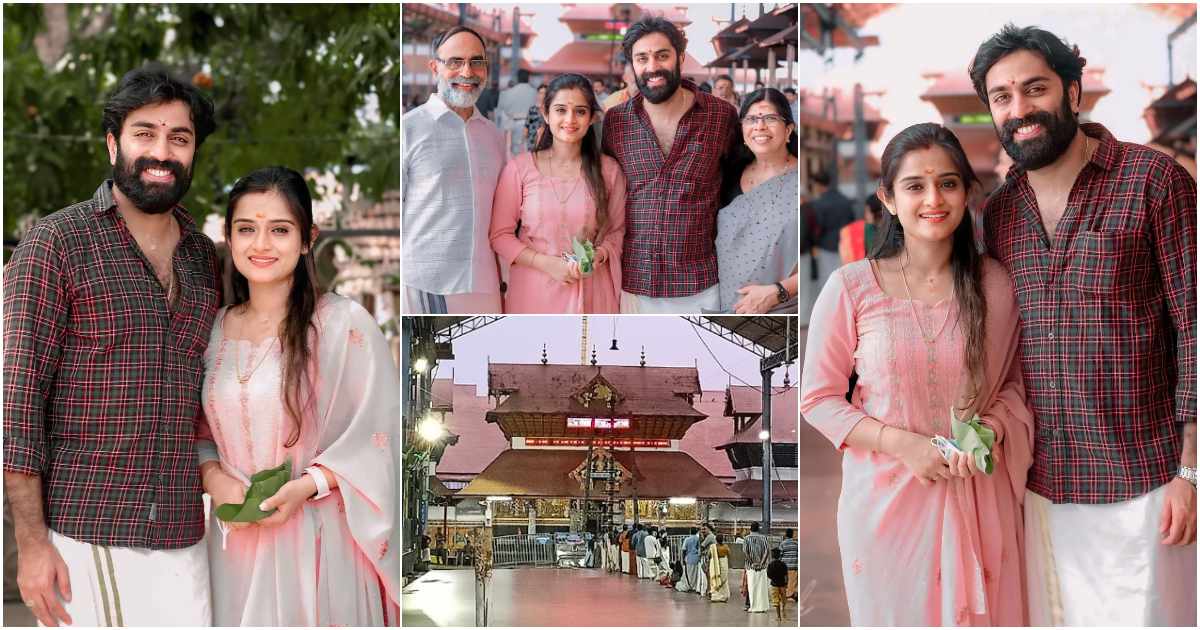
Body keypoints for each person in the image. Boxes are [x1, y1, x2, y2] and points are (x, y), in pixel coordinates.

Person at [970, 25, 1197, 626]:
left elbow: (1195, 329)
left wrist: (1191, 471)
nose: (1020, 110)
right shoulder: (999, 215)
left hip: (1147, 482)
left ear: (1073, 92)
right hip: (1041, 486)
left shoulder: (1154, 182)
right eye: (1002, 97)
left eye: (1034, 88)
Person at [3, 65, 219, 627]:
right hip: (87, 531)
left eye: (179, 138)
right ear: (112, 144)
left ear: (193, 152)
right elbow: (16, 404)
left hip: (184, 533)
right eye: (144, 133)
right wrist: (30, 544)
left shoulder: (205, 260)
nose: (162, 151)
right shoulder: (57, 243)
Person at [800, 122, 1033, 625]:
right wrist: (903, 445)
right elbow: (817, 398)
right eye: (915, 186)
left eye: (948, 183)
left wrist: (990, 430)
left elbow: (1014, 386)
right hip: (887, 507)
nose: (934, 198)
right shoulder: (852, 288)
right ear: (887, 198)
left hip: (977, 493)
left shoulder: (995, 284)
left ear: (968, 193)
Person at [196, 166, 399, 625]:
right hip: (233, 545)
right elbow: (199, 429)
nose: (261, 244)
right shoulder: (211, 330)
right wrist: (214, 478)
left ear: (309, 238)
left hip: (316, 538)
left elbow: (375, 435)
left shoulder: (342, 326)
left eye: (280, 230)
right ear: (228, 236)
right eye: (246, 229)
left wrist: (306, 486)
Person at [602, 16, 739, 313]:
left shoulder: (721, 116)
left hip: (700, 284)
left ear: (679, 56)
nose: (652, 67)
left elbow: (739, 187)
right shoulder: (616, 122)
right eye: (642, 58)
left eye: (662, 55)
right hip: (634, 282)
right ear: (632, 65)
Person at [490, 74, 627, 313]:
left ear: (592, 117)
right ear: (546, 113)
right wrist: (547, 264)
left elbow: (618, 231)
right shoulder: (520, 169)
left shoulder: (609, 171)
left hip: (592, 290)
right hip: (534, 292)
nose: (570, 120)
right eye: (561, 110)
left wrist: (600, 255)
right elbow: (500, 235)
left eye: (580, 111)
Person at [403, 26, 504, 314]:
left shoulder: (494, 137)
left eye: (476, 62)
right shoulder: (409, 130)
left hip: (484, 284)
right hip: (426, 282)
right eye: (455, 62)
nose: (467, 72)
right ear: (434, 67)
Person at [715, 87, 799, 313]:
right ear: (742, 129)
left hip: (784, 307)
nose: (760, 126)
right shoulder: (728, 174)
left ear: (789, 129)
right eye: (751, 119)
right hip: (725, 304)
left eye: (770, 118)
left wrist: (778, 291)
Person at [808, 169, 854, 293]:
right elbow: (851, 222)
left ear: (818, 185)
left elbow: (817, 228)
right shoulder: (845, 200)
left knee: (828, 283)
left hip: (826, 247)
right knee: (844, 282)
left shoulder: (818, 204)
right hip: (844, 247)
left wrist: (814, 243)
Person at [497, 69, 538, 156]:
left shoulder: (509, 92)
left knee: (516, 150)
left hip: (516, 122)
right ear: (528, 78)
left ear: (517, 78)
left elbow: (503, 107)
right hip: (532, 123)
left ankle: (518, 168)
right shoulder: (535, 92)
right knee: (529, 150)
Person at [838, 192, 883, 264]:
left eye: (867, 211)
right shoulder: (868, 228)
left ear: (877, 212)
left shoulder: (870, 229)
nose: (865, 215)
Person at [742, 522, 771, 613]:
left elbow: (745, 552)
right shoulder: (764, 538)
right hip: (762, 568)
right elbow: (767, 551)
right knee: (761, 587)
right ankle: (761, 606)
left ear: (750, 529)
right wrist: (761, 563)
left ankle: (752, 605)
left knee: (751, 586)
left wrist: (753, 563)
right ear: (759, 529)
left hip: (750, 567)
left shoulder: (746, 538)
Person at [676, 526, 700, 593]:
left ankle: (689, 585)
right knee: (695, 574)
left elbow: (684, 550)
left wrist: (683, 559)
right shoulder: (698, 539)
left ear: (690, 531)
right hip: (697, 558)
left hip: (689, 558)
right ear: (696, 532)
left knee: (688, 574)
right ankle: (694, 586)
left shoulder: (687, 539)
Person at [524, 84, 547, 152]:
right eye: (540, 93)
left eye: (544, 93)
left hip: (545, 141)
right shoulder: (532, 109)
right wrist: (524, 139)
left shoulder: (550, 110)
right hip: (532, 141)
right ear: (537, 94)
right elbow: (527, 125)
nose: (542, 95)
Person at [708, 533, 731, 602]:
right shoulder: (726, 547)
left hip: (715, 564)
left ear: (716, 540)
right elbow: (729, 554)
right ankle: (724, 596)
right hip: (723, 562)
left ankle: (715, 596)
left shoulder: (713, 547)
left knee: (715, 579)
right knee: (723, 579)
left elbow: (709, 555)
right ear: (723, 539)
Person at [766, 548, 788, 621]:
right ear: (780, 555)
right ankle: (784, 611)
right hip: (782, 584)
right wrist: (786, 583)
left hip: (774, 584)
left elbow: (768, 575)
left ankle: (778, 617)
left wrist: (773, 578)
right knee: (783, 599)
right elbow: (786, 575)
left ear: (772, 556)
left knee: (776, 601)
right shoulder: (783, 564)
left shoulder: (770, 564)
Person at [779, 528, 798, 601]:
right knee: (792, 582)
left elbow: (780, 556)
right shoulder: (796, 544)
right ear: (792, 535)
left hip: (784, 567)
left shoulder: (783, 544)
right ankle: (791, 595)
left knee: (784, 582)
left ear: (786, 535)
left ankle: (785, 595)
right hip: (794, 566)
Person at [696, 524, 715, 597]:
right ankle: (708, 589)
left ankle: (708, 589)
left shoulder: (710, 537)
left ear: (709, 529)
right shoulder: (710, 536)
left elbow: (702, 545)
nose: (703, 531)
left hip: (708, 557)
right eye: (702, 529)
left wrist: (700, 554)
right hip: (709, 557)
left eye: (704, 529)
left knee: (707, 574)